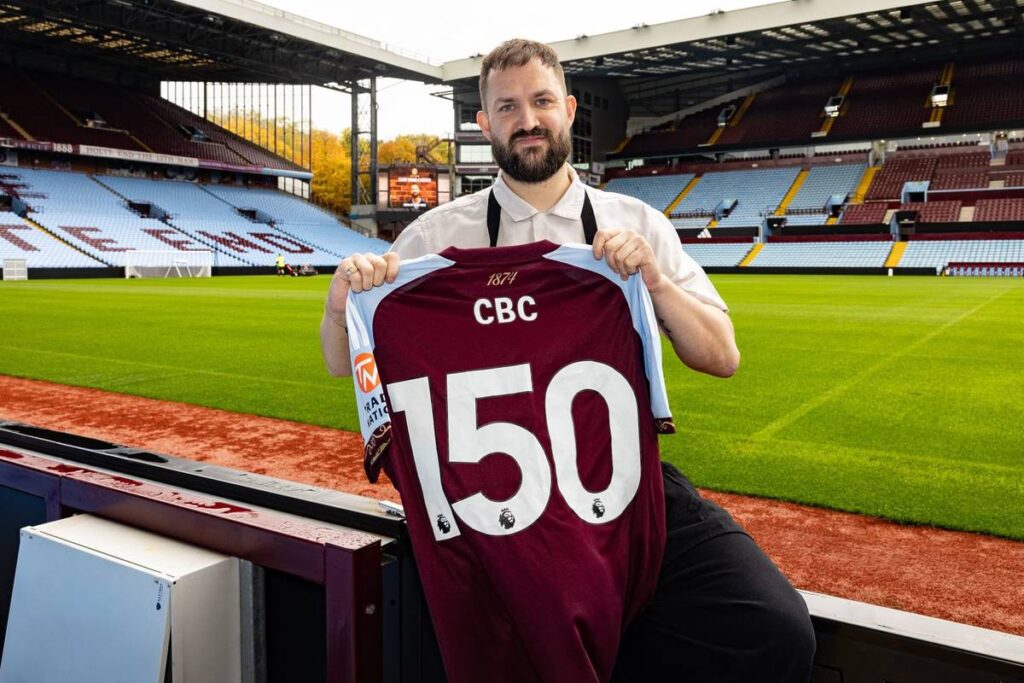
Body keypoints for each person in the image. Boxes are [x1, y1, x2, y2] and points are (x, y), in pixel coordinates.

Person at [321, 39, 815, 682]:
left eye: (541, 101)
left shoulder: (634, 223)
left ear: (570, 110)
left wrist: (655, 285)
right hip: (495, 499)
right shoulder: (432, 238)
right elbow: (344, 363)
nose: (527, 120)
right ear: (485, 124)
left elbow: (722, 356)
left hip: (620, 482)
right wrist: (342, 306)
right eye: (507, 107)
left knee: (772, 628)